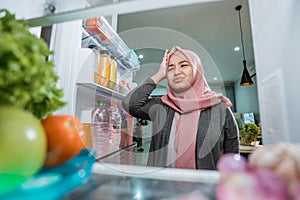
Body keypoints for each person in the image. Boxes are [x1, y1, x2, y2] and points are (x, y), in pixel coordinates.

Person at [122, 46, 239, 170]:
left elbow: (232, 160)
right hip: (163, 187)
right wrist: (159, 75)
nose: (176, 72)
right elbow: (130, 104)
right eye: (171, 68)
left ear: (196, 70)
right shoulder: (161, 105)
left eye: (183, 65)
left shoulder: (220, 108)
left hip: (207, 188)